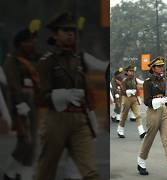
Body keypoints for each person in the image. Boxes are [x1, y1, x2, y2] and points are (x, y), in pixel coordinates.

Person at [35, 12, 99, 180]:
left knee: (90, 172)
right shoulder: (47, 61)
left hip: (79, 120)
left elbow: (85, 90)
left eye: (72, 30)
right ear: (55, 35)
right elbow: (41, 96)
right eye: (65, 30)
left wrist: (91, 115)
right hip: (56, 120)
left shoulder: (79, 59)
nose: (71, 33)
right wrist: (62, 95)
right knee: (46, 170)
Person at [136, 56, 167, 180]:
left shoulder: (164, 81)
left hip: (165, 111)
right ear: (153, 68)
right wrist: (159, 100)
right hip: (153, 111)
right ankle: (141, 162)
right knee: (149, 139)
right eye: (158, 66)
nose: (161, 68)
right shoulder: (148, 82)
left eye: (162, 66)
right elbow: (146, 101)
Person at [2, 27, 40, 180]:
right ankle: (9, 172)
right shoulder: (12, 61)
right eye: (29, 41)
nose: (33, 43)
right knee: (25, 141)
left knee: (33, 143)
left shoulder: (33, 59)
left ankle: (23, 174)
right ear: (20, 44)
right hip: (20, 106)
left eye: (33, 40)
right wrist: (19, 105)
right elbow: (13, 86)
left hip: (32, 104)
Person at [117, 64, 146, 138]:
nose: (132, 72)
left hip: (134, 99)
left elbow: (142, 82)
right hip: (126, 99)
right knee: (124, 116)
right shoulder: (124, 80)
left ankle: (141, 131)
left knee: (138, 115)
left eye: (133, 71)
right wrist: (129, 91)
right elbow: (122, 91)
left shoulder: (135, 79)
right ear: (127, 72)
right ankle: (120, 130)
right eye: (130, 71)